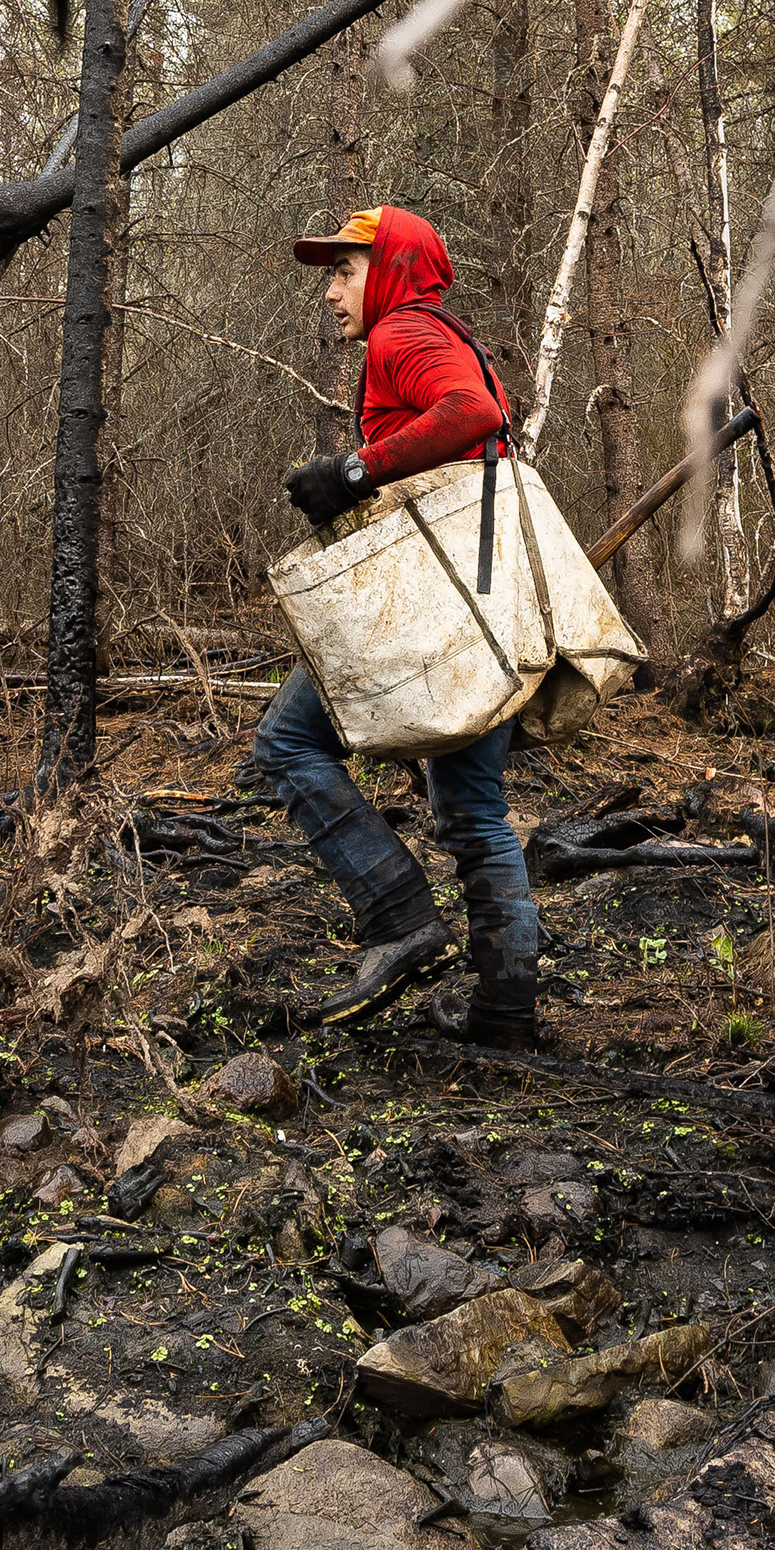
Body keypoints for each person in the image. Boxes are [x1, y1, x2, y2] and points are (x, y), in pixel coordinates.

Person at [252, 205, 542, 1051]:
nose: (332, 294)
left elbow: (470, 414)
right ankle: (504, 1012)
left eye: (343, 273)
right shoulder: (435, 328)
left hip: (439, 596)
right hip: (486, 592)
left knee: (287, 741)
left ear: (387, 270)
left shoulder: (403, 332)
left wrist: (352, 469)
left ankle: (398, 916)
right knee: (473, 806)